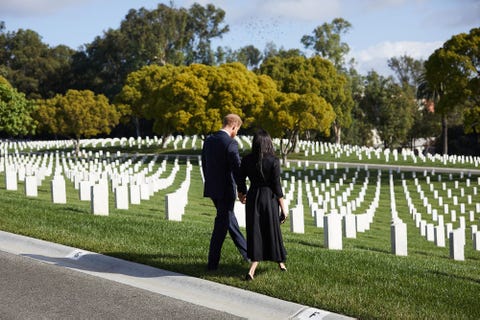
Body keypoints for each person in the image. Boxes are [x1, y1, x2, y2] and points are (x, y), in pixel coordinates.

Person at [237, 129, 288, 280]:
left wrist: (242, 193)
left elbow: (240, 179)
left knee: (256, 231)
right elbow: (277, 187)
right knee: (272, 230)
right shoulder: (274, 161)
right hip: (269, 198)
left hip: (253, 197)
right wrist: (284, 209)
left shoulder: (247, 160)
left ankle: (257, 266)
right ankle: (277, 261)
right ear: (268, 143)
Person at [201, 114, 249, 270]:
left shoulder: (208, 141)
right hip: (226, 189)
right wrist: (243, 190)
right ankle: (212, 263)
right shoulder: (230, 143)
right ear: (234, 126)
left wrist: (210, 183)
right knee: (221, 225)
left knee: (229, 220)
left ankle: (248, 253)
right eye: (238, 130)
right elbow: (237, 169)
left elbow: (204, 164)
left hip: (213, 188)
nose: (237, 133)